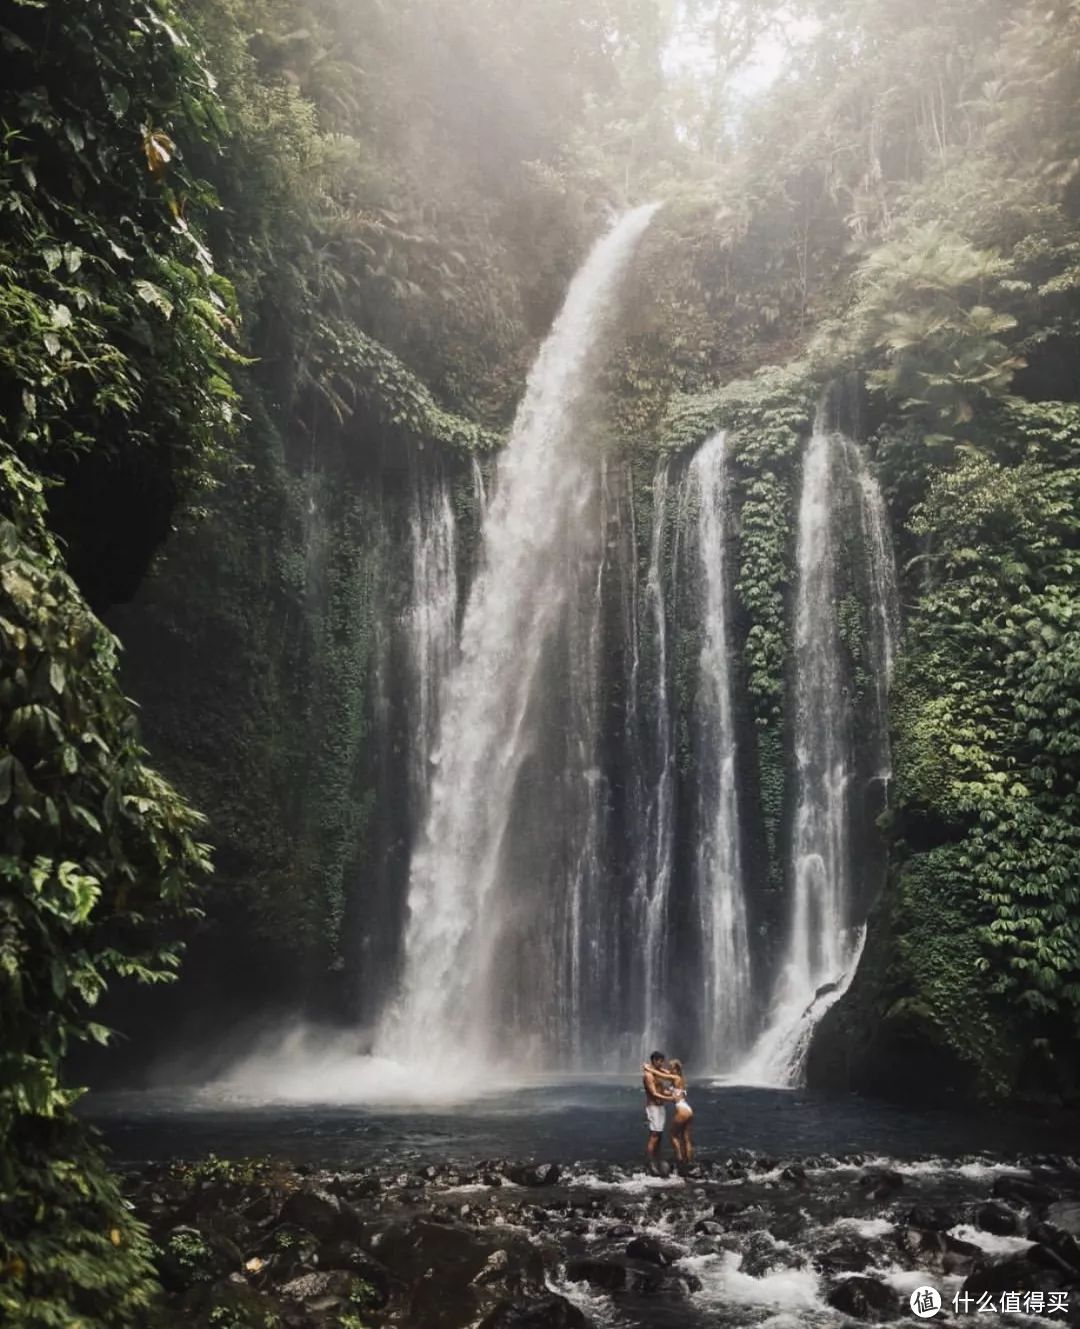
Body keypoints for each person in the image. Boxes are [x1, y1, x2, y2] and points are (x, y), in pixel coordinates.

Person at [642, 1050, 678, 1173]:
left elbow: (670, 1078)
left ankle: (658, 1158)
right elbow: (654, 1093)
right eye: (661, 1061)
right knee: (654, 1135)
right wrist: (670, 1098)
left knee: (660, 1135)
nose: (662, 1064)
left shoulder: (656, 1073)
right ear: (655, 1060)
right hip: (653, 1107)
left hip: (660, 1107)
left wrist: (673, 1093)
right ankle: (650, 1162)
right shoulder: (648, 1075)